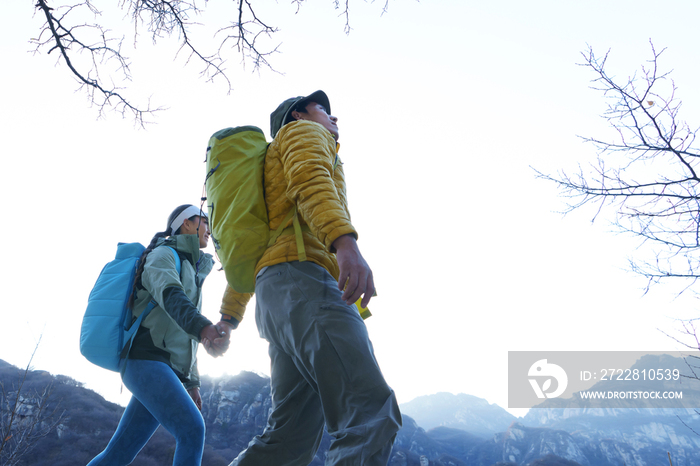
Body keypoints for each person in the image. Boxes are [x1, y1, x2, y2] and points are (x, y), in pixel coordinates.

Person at [214, 91, 402, 465]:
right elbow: (310, 179)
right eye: (324, 110)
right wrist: (343, 243)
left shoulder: (271, 166)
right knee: (369, 411)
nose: (334, 118)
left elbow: (251, 249)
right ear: (298, 115)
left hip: (276, 297)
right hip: (303, 283)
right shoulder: (301, 134)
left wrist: (228, 318)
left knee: (288, 440)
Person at [87, 204, 228, 466]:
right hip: (145, 361)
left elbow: (182, 334)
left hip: (163, 370)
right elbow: (171, 297)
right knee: (192, 430)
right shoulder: (164, 255)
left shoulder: (192, 269)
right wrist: (204, 327)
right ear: (187, 223)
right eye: (205, 221)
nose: (210, 229)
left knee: (118, 455)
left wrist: (192, 381)